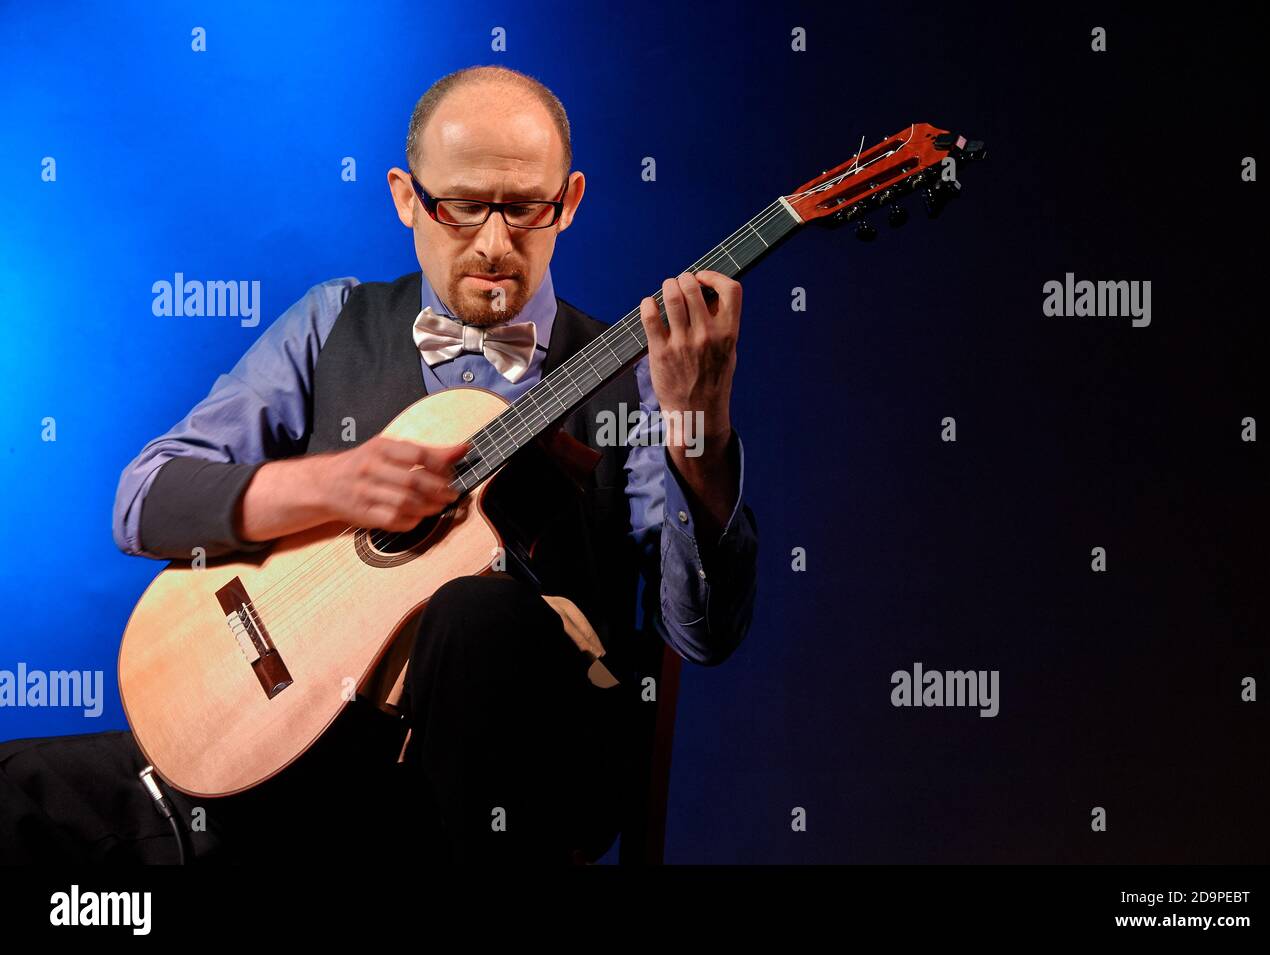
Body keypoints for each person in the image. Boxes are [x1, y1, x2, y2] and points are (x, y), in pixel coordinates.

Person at [1, 65, 758, 865]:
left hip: (509, 791)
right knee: (17, 795)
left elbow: (703, 633)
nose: (496, 244)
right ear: (406, 197)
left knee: (476, 616)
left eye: (525, 209)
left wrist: (699, 433)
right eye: (463, 206)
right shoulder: (333, 321)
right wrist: (331, 482)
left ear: (568, 203)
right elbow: (144, 500)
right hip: (297, 757)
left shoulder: (643, 379)